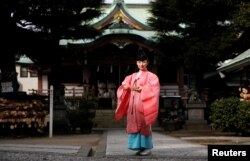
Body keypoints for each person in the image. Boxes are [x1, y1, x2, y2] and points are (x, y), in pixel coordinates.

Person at [114, 48, 160, 156]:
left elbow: (154, 88)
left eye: (144, 61)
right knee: (134, 124)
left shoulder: (152, 76)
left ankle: (147, 147)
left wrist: (142, 88)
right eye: (139, 62)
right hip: (133, 106)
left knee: (144, 125)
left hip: (144, 105)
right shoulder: (132, 76)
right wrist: (127, 86)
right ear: (136, 63)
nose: (142, 64)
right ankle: (139, 147)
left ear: (147, 62)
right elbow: (124, 85)